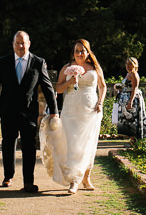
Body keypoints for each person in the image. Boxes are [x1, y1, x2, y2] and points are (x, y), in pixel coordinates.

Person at [0, 31, 58, 194]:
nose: (20, 46)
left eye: (23, 43)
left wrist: (54, 110)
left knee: (29, 147)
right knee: (8, 143)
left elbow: (48, 88)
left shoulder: (38, 62)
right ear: (13, 44)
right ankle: (8, 176)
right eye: (17, 43)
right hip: (7, 110)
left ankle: (28, 181)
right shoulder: (3, 62)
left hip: (29, 112)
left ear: (29, 44)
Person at [40, 39, 106, 194]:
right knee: (72, 144)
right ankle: (73, 180)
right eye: (77, 51)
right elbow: (58, 89)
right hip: (71, 112)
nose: (79, 54)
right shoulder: (67, 68)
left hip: (90, 111)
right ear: (73, 53)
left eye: (82, 50)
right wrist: (70, 82)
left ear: (88, 52)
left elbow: (102, 86)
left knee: (88, 144)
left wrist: (100, 103)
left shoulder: (95, 68)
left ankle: (86, 178)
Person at [114, 56, 146, 140]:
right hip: (125, 98)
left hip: (133, 99)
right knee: (127, 120)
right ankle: (131, 139)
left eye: (130, 64)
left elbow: (134, 89)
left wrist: (130, 102)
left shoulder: (134, 74)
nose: (127, 66)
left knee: (133, 119)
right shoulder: (128, 74)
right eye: (127, 64)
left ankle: (135, 139)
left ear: (134, 65)